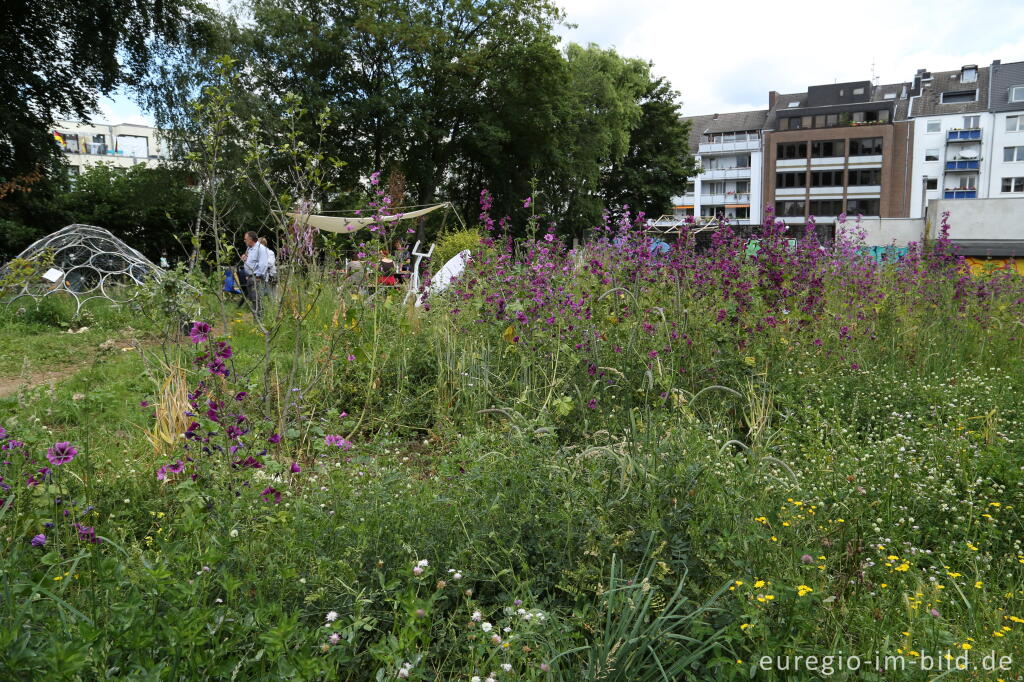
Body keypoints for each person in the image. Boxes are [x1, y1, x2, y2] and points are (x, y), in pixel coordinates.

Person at [241, 231, 270, 317]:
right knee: (253, 300)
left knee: (257, 300)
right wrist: (245, 258)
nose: (244, 241)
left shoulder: (261, 249)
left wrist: (258, 277)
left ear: (251, 240)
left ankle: (259, 321)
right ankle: (257, 321)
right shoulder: (249, 249)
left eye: (245, 239)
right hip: (250, 277)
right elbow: (252, 262)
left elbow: (263, 264)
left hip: (256, 278)